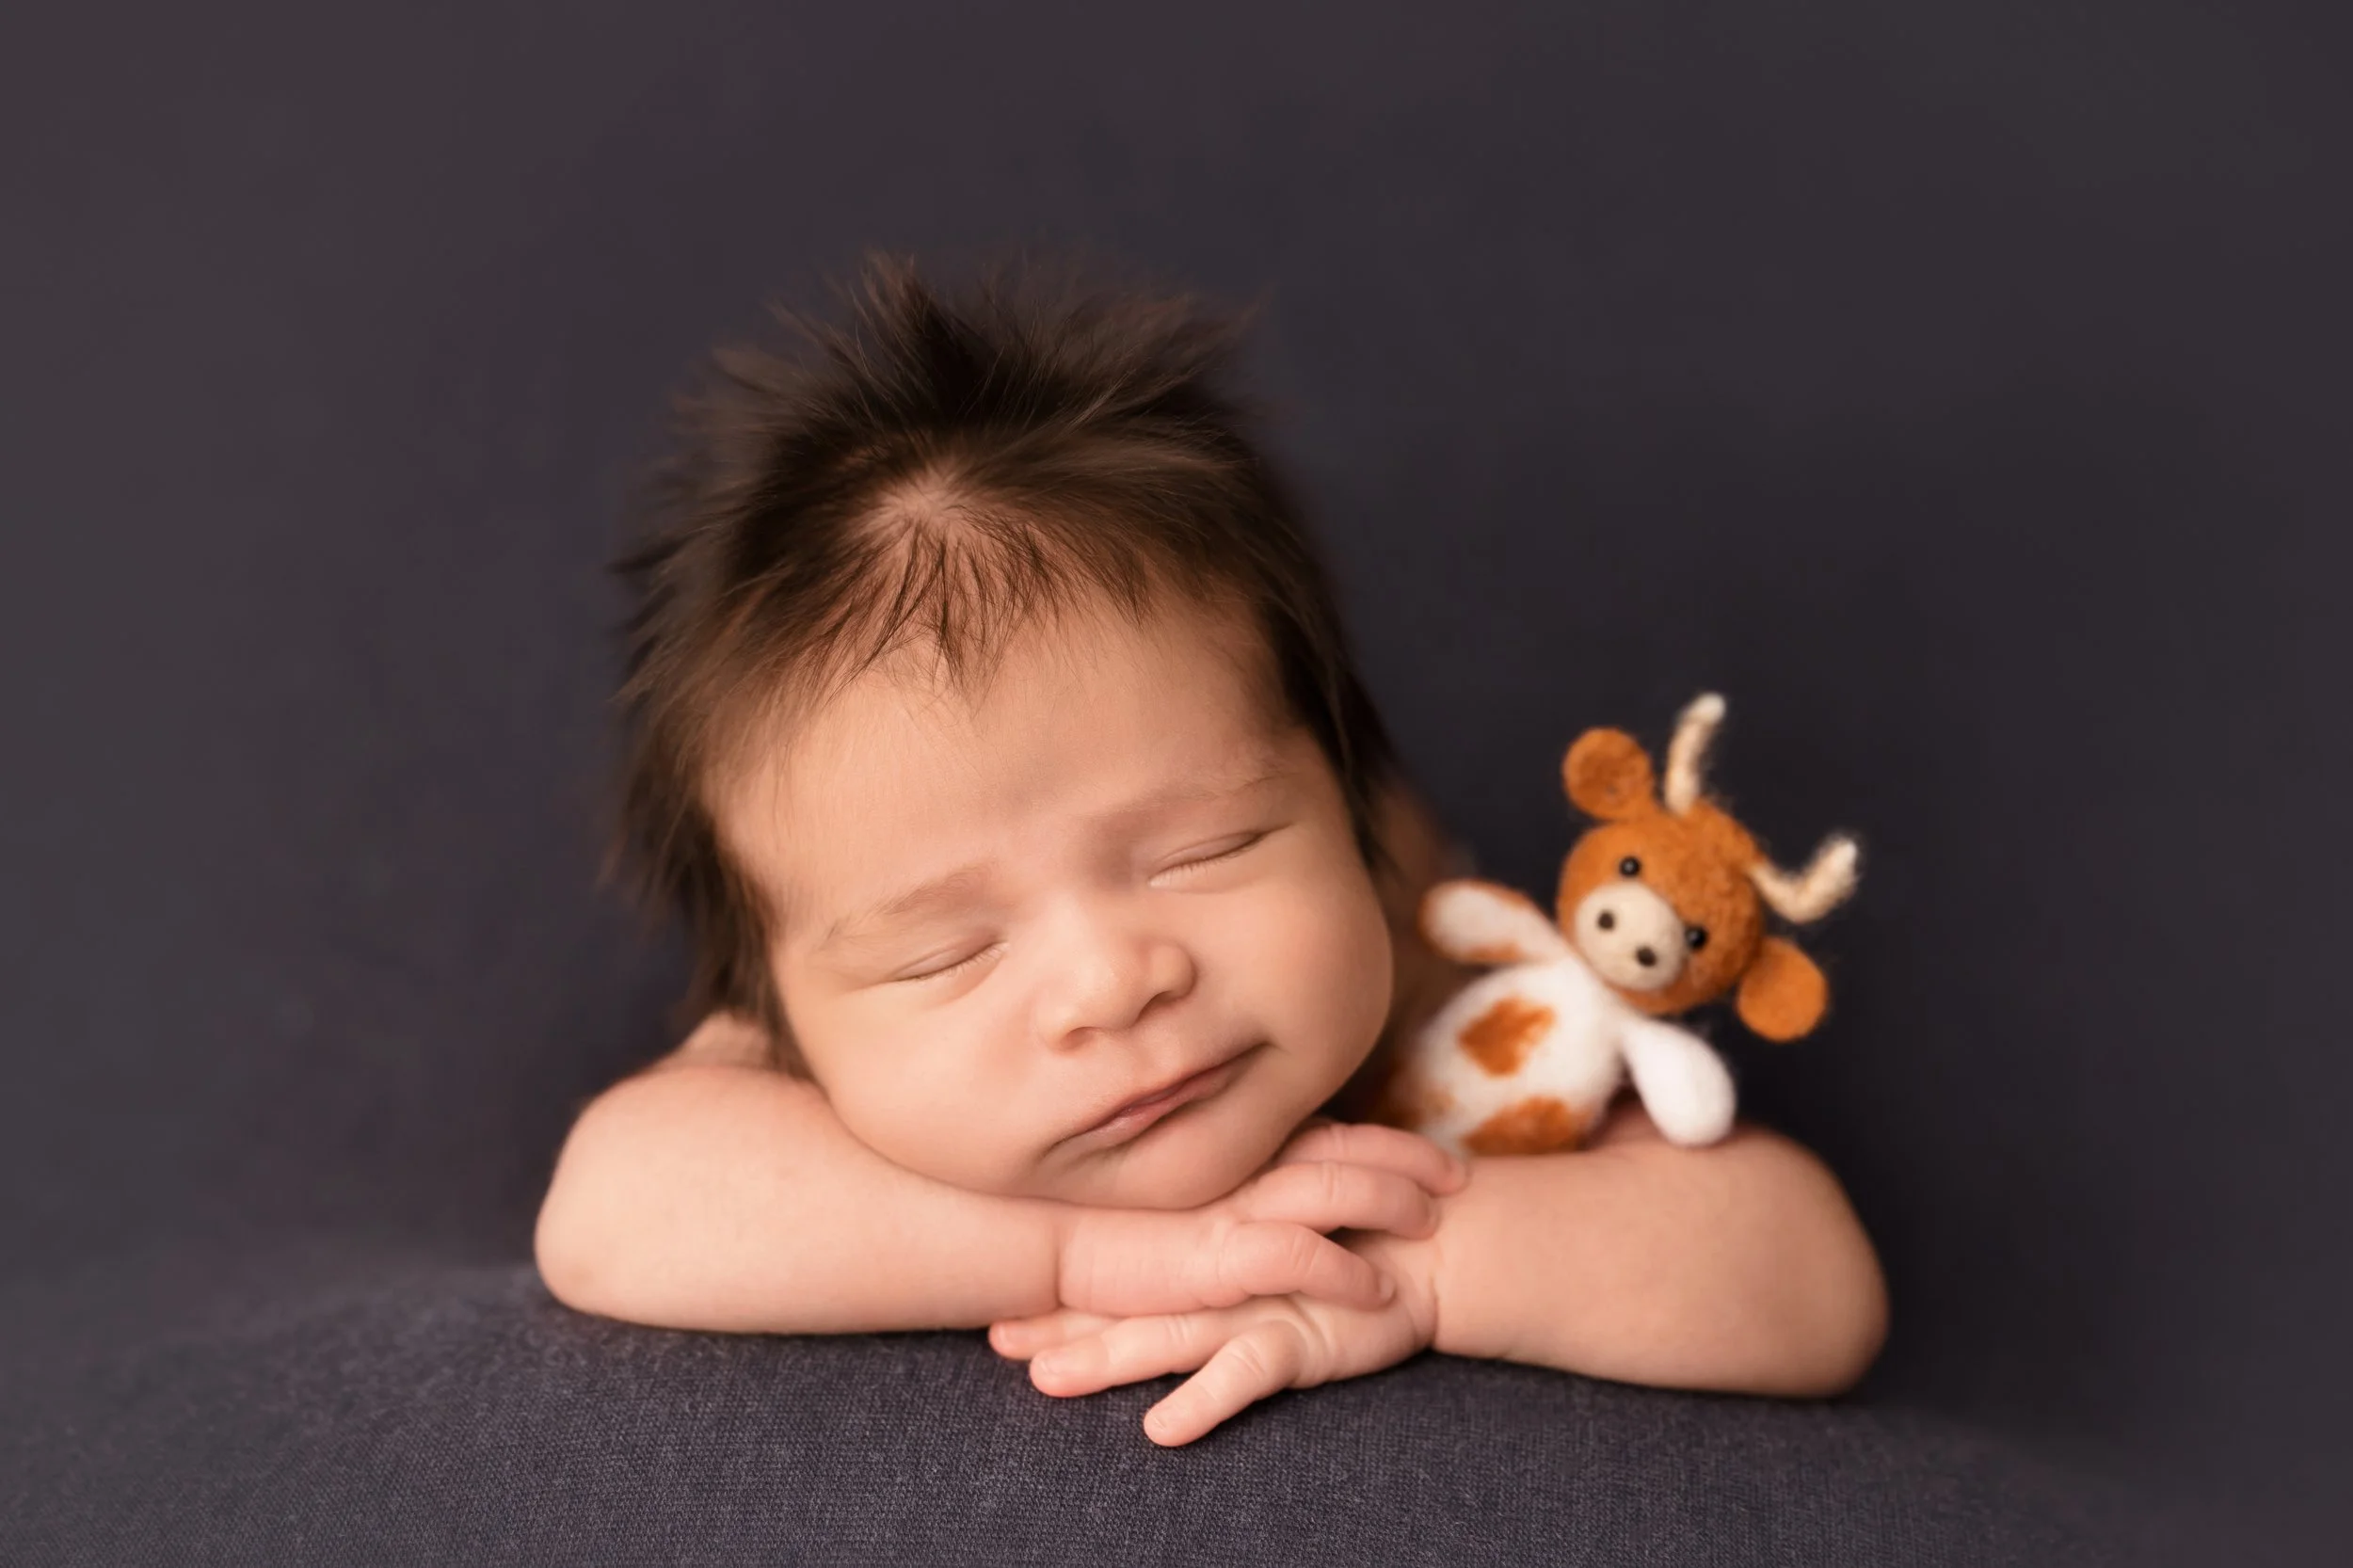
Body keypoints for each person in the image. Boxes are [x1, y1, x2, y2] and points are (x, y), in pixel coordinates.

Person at [534, 257, 1887, 1447]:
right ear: (782, 1009)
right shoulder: (803, 1078)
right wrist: (1087, 1250)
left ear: (1365, 818)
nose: (1113, 982)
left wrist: (1418, 1269)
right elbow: (610, 1208)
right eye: (948, 949)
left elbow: (1812, 1279)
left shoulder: (1425, 994)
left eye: (1206, 847)